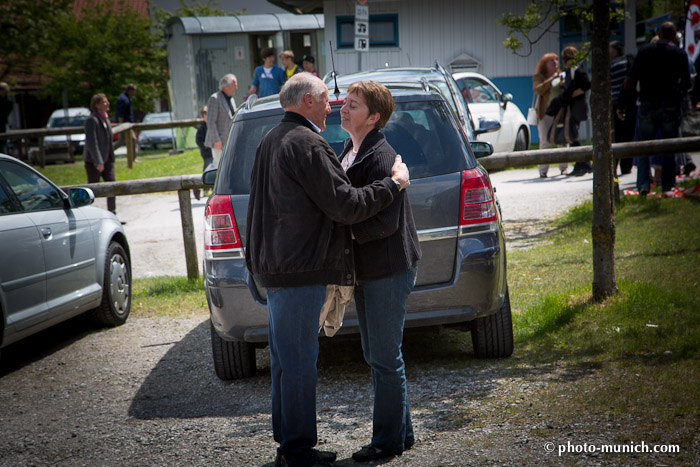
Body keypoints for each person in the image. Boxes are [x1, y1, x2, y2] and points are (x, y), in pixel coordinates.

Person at [245, 73, 410, 467]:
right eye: (326, 100)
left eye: (348, 103)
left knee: (288, 362)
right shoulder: (308, 143)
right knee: (297, 362)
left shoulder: (271, 138)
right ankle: (297, 451)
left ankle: (292, 446)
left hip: (277, 267)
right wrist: (393, 185)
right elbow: (345, 205)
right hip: (298, 269)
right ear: (306, 101)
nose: (333, 107)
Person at [338, 81, 421, 462]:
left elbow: (384, 224)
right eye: (345, 102)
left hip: (388, 269)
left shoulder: (379, 156)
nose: (343, 108)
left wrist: (342, 234)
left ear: (373, 117)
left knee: (385, 357)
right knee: (377, 355)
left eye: (353, 105)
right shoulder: (351, 150)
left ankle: (386, 443)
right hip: (369, 270)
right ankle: (402, 435)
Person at [621, 22, 691, 196]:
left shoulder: (644, 51)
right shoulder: (678, 53)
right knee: (669, 146)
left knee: (644, 146)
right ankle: (667, 187)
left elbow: (630, 80)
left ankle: (644, 185)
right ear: (674, 36)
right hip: (670, 103)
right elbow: (686, 83)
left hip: (647, 102)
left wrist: (623, 102)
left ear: (659, 34)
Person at [556, 46, 592, 177]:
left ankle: (585, 163)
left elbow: (587, 85)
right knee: (572, 136)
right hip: (573, 107)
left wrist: (573, 94)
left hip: (577, 107)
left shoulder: (577, 70)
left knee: (572, 136)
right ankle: (582, 163)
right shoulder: (570, 70)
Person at [532, 53, 568, 177]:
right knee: (545, 142)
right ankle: (543, 170)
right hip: (545, 113)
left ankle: (564, 168)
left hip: (560, 112)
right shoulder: (539, 76)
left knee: (562, 141)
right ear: (544, 64)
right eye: (551, 60)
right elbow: (538, 89)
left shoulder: (561, 75)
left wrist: (563, 85)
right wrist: (550, 80)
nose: (555, 62)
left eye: (556, 60)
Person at [84, 93, 117, 215]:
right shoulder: (92, 120)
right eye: (104, 102)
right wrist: (98, 161)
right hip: (94, 161)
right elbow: (92, 143)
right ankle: (88, 214)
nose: (107, 104)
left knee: (112, 186)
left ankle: (112, 213)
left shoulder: (105, 119)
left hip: (107, 159)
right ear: (97, 105)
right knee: (92, 190)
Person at [610, 41, 635, 175]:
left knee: (615, 137)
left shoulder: (613, 65)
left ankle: (613, 167)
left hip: (616, 105)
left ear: (615, 51)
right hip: (629, 104)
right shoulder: (628, 61)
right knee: (627, 136)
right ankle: (626, 167)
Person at [205, 74, 237, 168]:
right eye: (234, 85)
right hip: (218, 142)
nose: (236, 88)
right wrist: (216, 140)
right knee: (218, 167)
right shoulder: (214, 98)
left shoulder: (231, 99)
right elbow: (210, 122)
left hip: (228, 140)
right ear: (226, 87)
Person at [193, 106, 212, 201]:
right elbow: (198, 140)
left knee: (214, 170)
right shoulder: (202, 128)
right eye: (206, 115)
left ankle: (210, 188)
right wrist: (205, 147)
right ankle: (199, 187)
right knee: (207, 171)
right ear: (203, 117)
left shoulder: (211, 125)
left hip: (213, 152)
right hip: (207, 153)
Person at [115, 84, 137, 159]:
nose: (135, 92)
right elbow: (121, 113)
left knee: (121, 141)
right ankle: (133, 158)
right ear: (130, 91)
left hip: (127, 123)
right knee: (133, 140)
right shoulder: (124, 99)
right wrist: (121, 125)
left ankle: (107, 152)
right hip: (125, 124)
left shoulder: (126, 98)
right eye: (134, 91)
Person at [0, 82, 12, 154]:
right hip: (3, 126)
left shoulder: (7, 101)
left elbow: (5, 113)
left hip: (3, 127)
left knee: (3, 147)